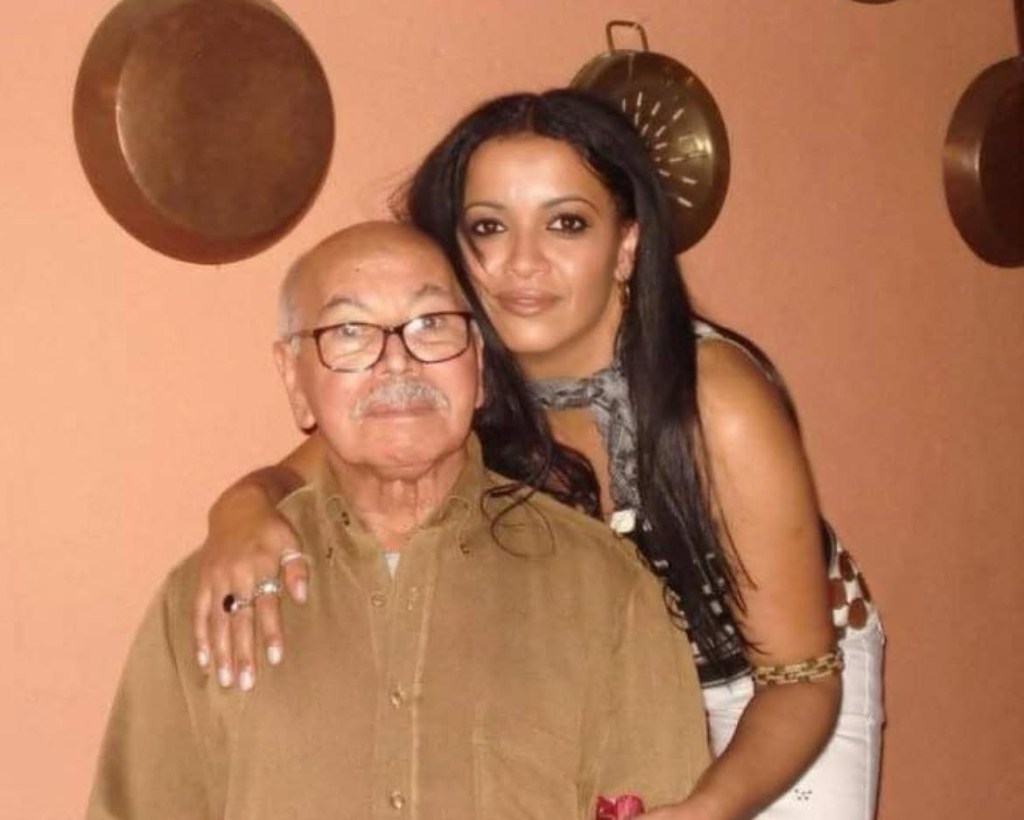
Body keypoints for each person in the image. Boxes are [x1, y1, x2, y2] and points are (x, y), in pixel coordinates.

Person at [192, 91, 884, 819]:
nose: (522, 263)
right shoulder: (455, 371)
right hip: (604, 677)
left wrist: (707, 809)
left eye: (566, 223)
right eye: (489, 227)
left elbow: (802, 675)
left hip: (769, 686)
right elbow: (299, 472)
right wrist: (236, 511)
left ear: (626, 245)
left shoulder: (715, 402)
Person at [86, 222, 711, 820]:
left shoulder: (604, 589)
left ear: (479, 365)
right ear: (294, 378)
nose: (398, 362)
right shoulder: (208, 599)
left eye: (431, 324)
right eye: (350, 331)